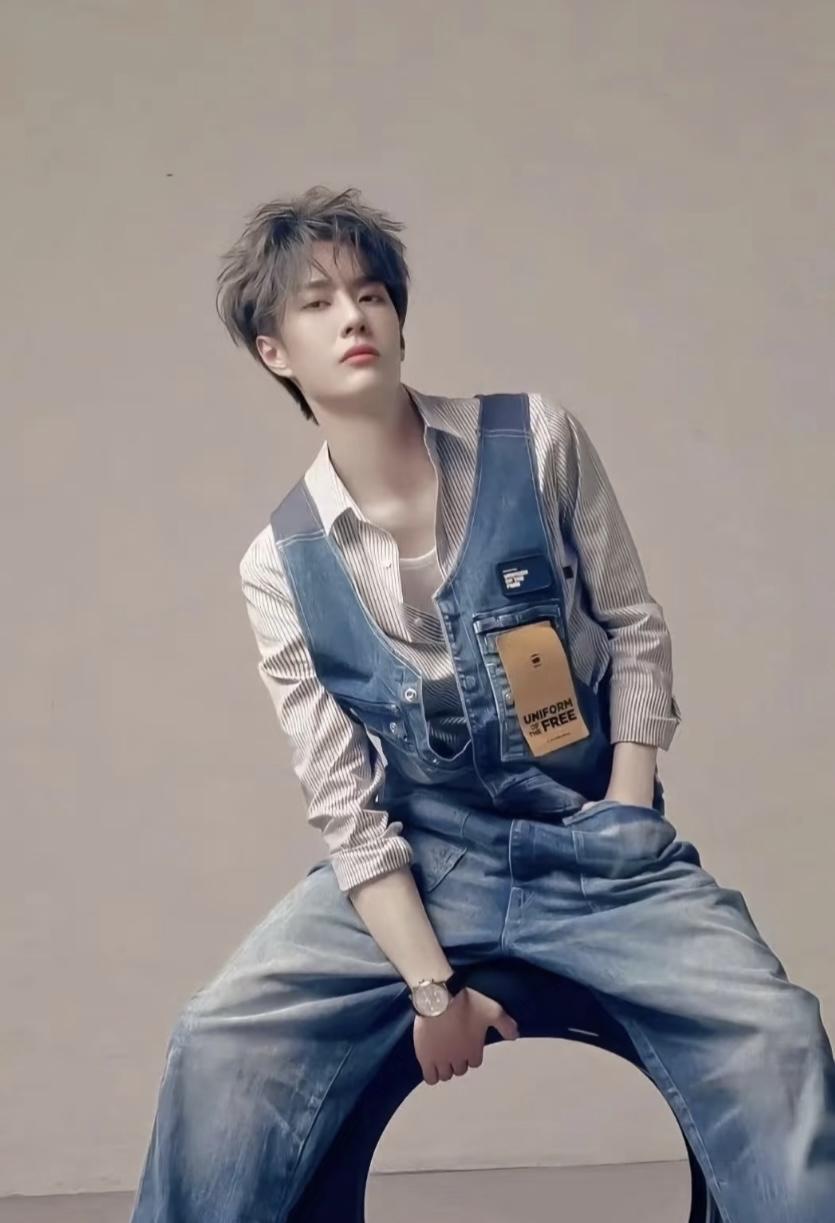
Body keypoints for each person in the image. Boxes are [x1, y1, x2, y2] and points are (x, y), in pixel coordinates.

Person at [129, 185, 835, 1223]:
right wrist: (431, 986)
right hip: (428, 857)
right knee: (220, 1038)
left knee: (775, 1035)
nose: (353, 316)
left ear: (398, 316)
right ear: (274, 351)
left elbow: (633, 625)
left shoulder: (534, 439)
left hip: (597, 847)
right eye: (318, 303)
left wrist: (626, 806)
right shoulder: (278, 564)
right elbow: (344, 801)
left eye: (370, 293)